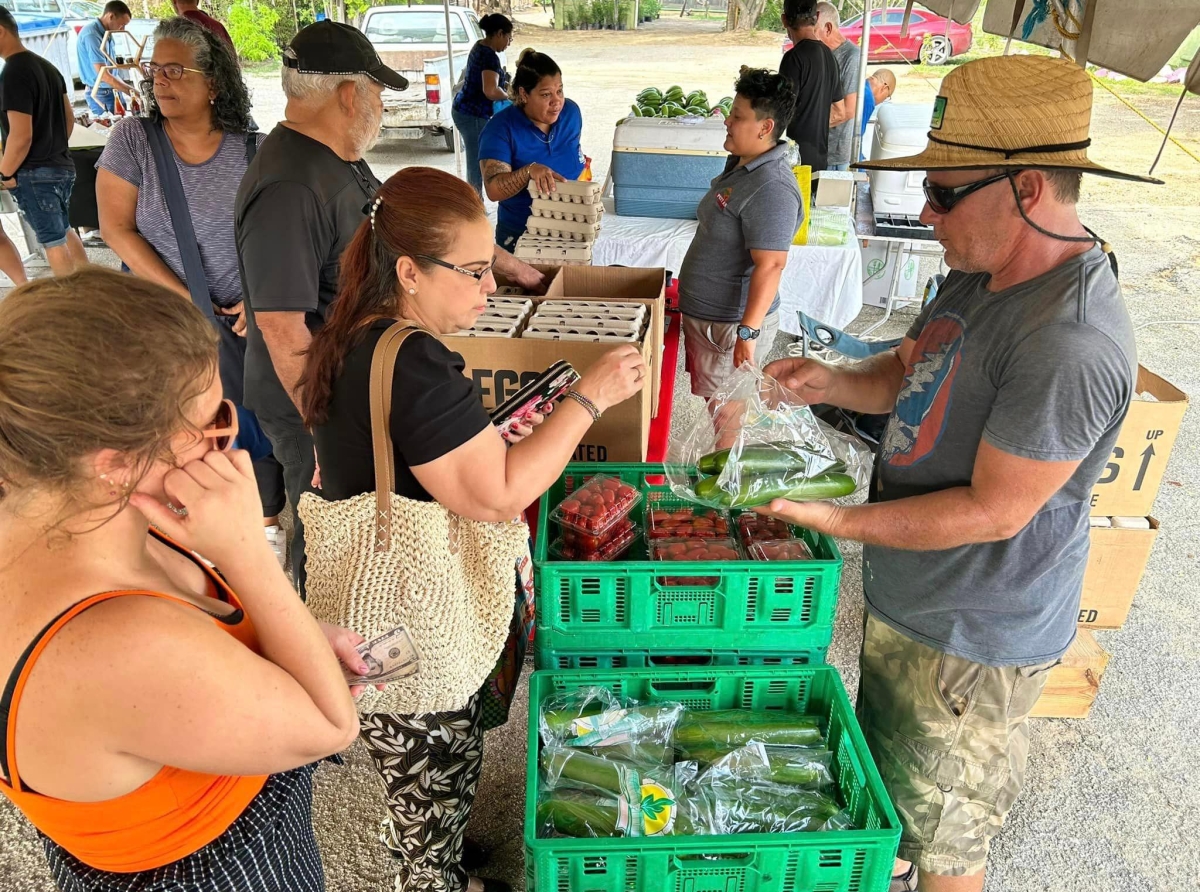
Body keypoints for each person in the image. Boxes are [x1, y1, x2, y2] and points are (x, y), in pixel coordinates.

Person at [760, 55, 1151, 892]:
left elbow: (992, 511)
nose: (925, 211)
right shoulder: (977, 277)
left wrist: (830, 521)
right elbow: (906, 369)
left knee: (951, 844)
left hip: (974, 638)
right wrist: (830, 380)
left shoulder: (1068, 339)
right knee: (900, 797)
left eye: (942, 192)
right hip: (917, 606)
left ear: (1028, 188)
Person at [299, 166, 647, 892]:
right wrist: (591, 396)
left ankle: (434, 851)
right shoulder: (415, 361)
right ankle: (431, 875)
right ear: (409, 271)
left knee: (415, 768)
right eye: (475, 272)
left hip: (374, 606)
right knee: (430, 767)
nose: (491, 290)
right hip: (410, 614)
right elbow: (498, 493)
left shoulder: (354, 332)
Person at [0, 268, 376, 891]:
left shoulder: (64, 505)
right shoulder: (113, 645)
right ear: (116, 464)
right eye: (213, 424)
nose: (228, 446)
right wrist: (248, 555)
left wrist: (296, 631)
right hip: (217, 869)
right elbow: (329, 726)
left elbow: (194, 634)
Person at [236, 21, 545, 593]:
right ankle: (327, 647)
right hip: (314, 393)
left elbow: (412, 230)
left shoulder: (336, 159)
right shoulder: (290, 183)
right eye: (377, 92)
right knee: (333, 534)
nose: (379, 105)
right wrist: (321, 421)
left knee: (382, 528)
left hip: (355, 380)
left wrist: (510, 269)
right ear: (348, 94)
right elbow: (281, 325)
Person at [96, 17, 287, 566]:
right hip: (164, 325)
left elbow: (281, 238)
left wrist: (261, 299)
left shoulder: (257, 148)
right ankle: (183, 548)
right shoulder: (134, 140)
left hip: (245, 323)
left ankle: (264, 536)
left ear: (215, 83)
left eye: (176, 70)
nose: (161, 80)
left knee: (252, 424)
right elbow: (116, 228)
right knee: (177, 431)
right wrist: (182, 299)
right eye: (154, 69)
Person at [678, 69, 802, 399]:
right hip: (712, 323)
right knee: (717, 414)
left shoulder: (772, 186)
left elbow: (771, 265)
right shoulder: (743, 164)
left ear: (765, 128)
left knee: (727, 425)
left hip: (730, 330)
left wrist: (747, 334)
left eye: (737, 116)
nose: (727, 122)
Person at [0, 8, 87, 277]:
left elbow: (21, 134)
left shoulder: (13, 72)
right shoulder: (48, 67)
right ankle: (93, 288)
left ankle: (72, 302)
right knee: (64, 230)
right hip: (61, 166)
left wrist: (5, 172)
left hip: (34, 171)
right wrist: (53, 147)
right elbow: (69, 119)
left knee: (53, 242)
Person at [479, 49, 585, 249]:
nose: (557, 102)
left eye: (560, 91)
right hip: (522, 234)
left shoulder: (571, 113)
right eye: (546, 95)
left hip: (572, 228)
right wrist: (528, 172)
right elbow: (493, 189)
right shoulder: (500, 128)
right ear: (524, 94)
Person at [451, 13, 513, 197]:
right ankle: (475, 205)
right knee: (477, 163)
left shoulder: (479, 46)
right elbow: (491, 91)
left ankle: (474, 203)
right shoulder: (489, 57)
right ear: (499, 34)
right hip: (473, 115)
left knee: (476, 160)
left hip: (464, 109)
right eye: (508, 38)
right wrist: (509, 96)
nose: (508, 43)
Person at [779, 0, 841, 172]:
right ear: (817, 16)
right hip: (820, 158)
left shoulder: (793, 58)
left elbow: (780, 110)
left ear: (784, 20)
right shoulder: (830, 56)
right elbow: (840, 109)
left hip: (796, 158)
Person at [816, 1, 859, 171]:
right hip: (815, 147)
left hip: (835, 154)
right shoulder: (820, 53)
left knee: (831, 198)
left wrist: (808, 125)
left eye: (813, 30)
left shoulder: (851, 56)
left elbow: (848, 110)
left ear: (827, 28)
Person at [76, 1, 134, 118]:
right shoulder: (92, 35)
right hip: (101, 92)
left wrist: (129, 90)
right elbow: (104, 74)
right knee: (111, 132)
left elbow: (112, 70)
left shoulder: (107, 33)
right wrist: (133, 93)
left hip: (113, 89)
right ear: (111, 16)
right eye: (121, 25)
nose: (122, 29)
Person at [858, 69, 896, 158]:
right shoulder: (868, 99)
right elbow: (857, 135)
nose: (882, 101)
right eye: (887, 96)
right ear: (884, 87)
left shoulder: (860, 85)